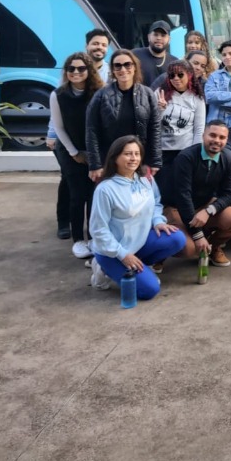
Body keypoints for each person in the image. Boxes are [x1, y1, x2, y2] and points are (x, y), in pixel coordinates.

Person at [89, 136, 186, 299]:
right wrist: (123, 255)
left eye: (137, 153)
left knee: (177, 239)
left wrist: (158, 221)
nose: (134, 158)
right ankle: (102, 268)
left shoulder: (145, 178)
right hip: (113, 251)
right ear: (115, 157)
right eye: (127, 154)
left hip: (139, 242)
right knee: (149, 291)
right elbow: (98, 230)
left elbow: (156, 202)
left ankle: (138, 265)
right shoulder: (105, 189)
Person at [161, 121, 231, 267]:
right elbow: (183, 196)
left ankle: (211, 248)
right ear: (203, 136)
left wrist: (209, 210)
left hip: (204, 204)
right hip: (176, 208)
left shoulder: (228, 158)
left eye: (222, 137)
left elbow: (228, 194)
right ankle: (159, 255)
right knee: (189, 249)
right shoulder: (186, 157)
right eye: (212, 135)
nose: (216, 141)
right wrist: (198, 235)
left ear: (226, 140)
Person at [50, 52, 103, 258]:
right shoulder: (58, 95)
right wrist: (74, 153)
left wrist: (95, 153)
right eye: (71, 69)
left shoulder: (98, 92)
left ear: (89, 70)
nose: (76, 72)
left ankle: (92, 236)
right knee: (76, 195)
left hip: (93, 151)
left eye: (81, 68)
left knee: (93, 195)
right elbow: (59, 128)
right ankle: (78, 240)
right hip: (69, 150)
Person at [86, 49, 162, 182]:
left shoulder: (147, 94)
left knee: (138, 200)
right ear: (113, 70)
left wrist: (155, 161)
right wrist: (95, 164)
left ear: (134, 67)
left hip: (138, 160)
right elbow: (91, 130)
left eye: (127, 64)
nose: (123, 69)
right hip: (109, 160)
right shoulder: (101, 95)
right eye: (118, 65)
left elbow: (154, 128)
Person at [153, 59, 206, 197]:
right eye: (172, 75)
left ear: (189, 75)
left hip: (185, 150)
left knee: (183, 188)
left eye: (180, 75)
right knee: (163, 189)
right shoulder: (160, 93)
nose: (176, 79)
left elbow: (199, 129)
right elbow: (151, 125)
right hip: (163, 150)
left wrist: (196, 154)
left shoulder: (197, 98)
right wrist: (160, 110)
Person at [133, 21, 178, 86]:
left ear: (169, 39)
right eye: (155, 34)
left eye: (163, 35)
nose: (159, 38)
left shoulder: (174, 62)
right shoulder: (135, 55)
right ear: (148, 37)